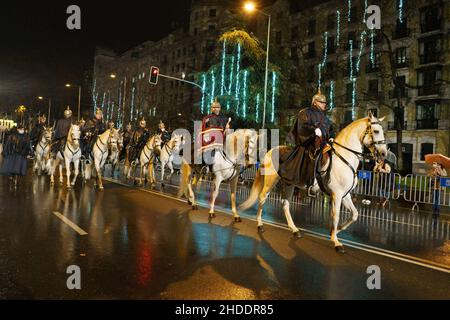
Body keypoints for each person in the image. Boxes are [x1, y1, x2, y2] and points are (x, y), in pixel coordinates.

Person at [279, 89, 335, 188]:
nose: (324, 104)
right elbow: (302, 126)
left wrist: (331, 137)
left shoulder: (325, 117)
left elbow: (330, 129)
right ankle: (309, 181)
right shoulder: (305, 112)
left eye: (324, 103)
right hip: (308, 142)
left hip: (324, 144)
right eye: (321, 102)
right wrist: (314, 130)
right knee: (313, 155)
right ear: (315, 102)